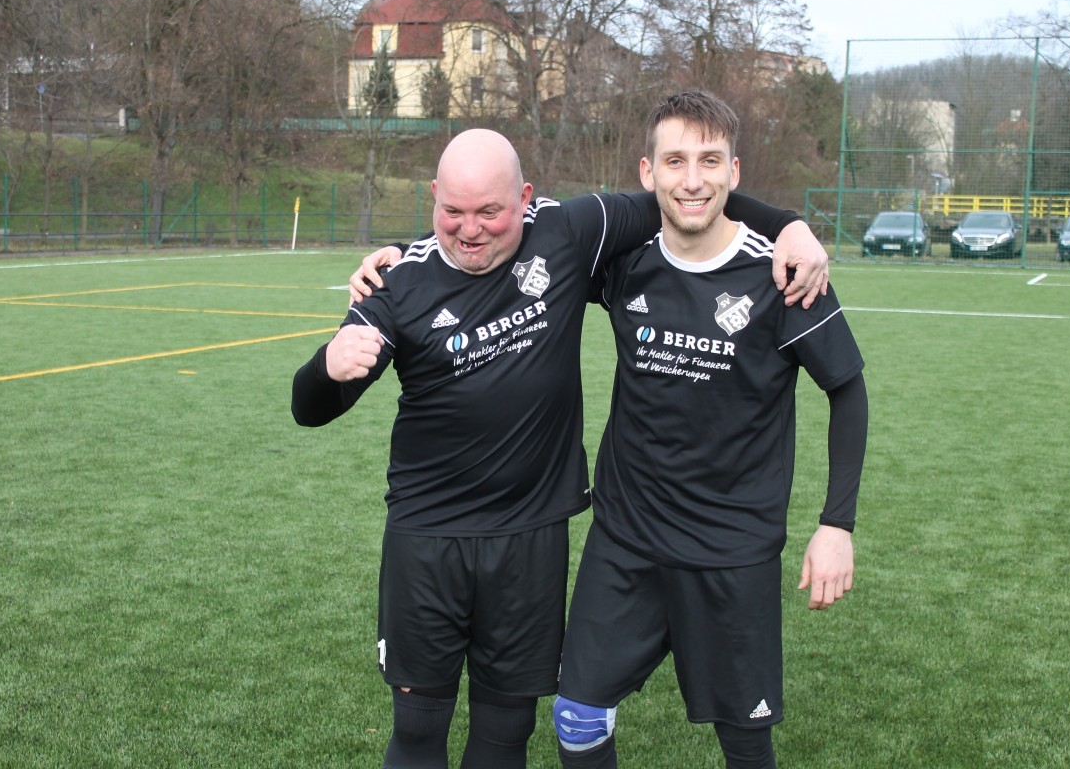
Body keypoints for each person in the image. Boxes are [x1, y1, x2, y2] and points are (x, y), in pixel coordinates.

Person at [291, 128, 829, 769]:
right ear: (433, 198)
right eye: (452, 212)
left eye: (490, 212)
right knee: (417, 728)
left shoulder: (572, 230)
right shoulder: (397, 283)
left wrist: (790, 226)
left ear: (524, 199)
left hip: (531, 539)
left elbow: (684, 194)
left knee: (504, 732)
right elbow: (311, 409)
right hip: (426, 539)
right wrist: (326, 367)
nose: (470, 230)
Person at [552, 91, 868, 769]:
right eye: (674, 160)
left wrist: (836, 524)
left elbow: (847, 388)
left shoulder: (781, 273)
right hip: (626, 541)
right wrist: (401, 254)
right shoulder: (622, 262)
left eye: (709, 160)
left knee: (744, 738)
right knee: (577, 718)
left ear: (734, 170)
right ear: (647, 172)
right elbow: (506, 234)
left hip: (732, 552)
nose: (691, 179)